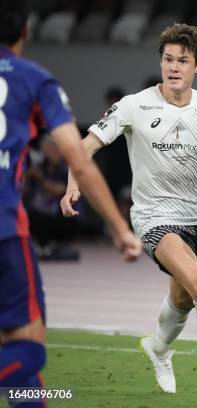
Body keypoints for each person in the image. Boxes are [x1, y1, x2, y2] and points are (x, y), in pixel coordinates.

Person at [60, 23, 197, 393]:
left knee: (183, 298)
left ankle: (158, 347)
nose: (174, 67)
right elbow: (86, 145)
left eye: (183, 60)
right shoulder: (134, 105)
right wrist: (72, 184)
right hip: (153, 218)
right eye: (168, 59)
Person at [0, 1, 142, 405]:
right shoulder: (34, 80)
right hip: (5, 232)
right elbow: (78, 157)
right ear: (26, 30)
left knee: (24, 364)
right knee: (26, 348)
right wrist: (119, 229)